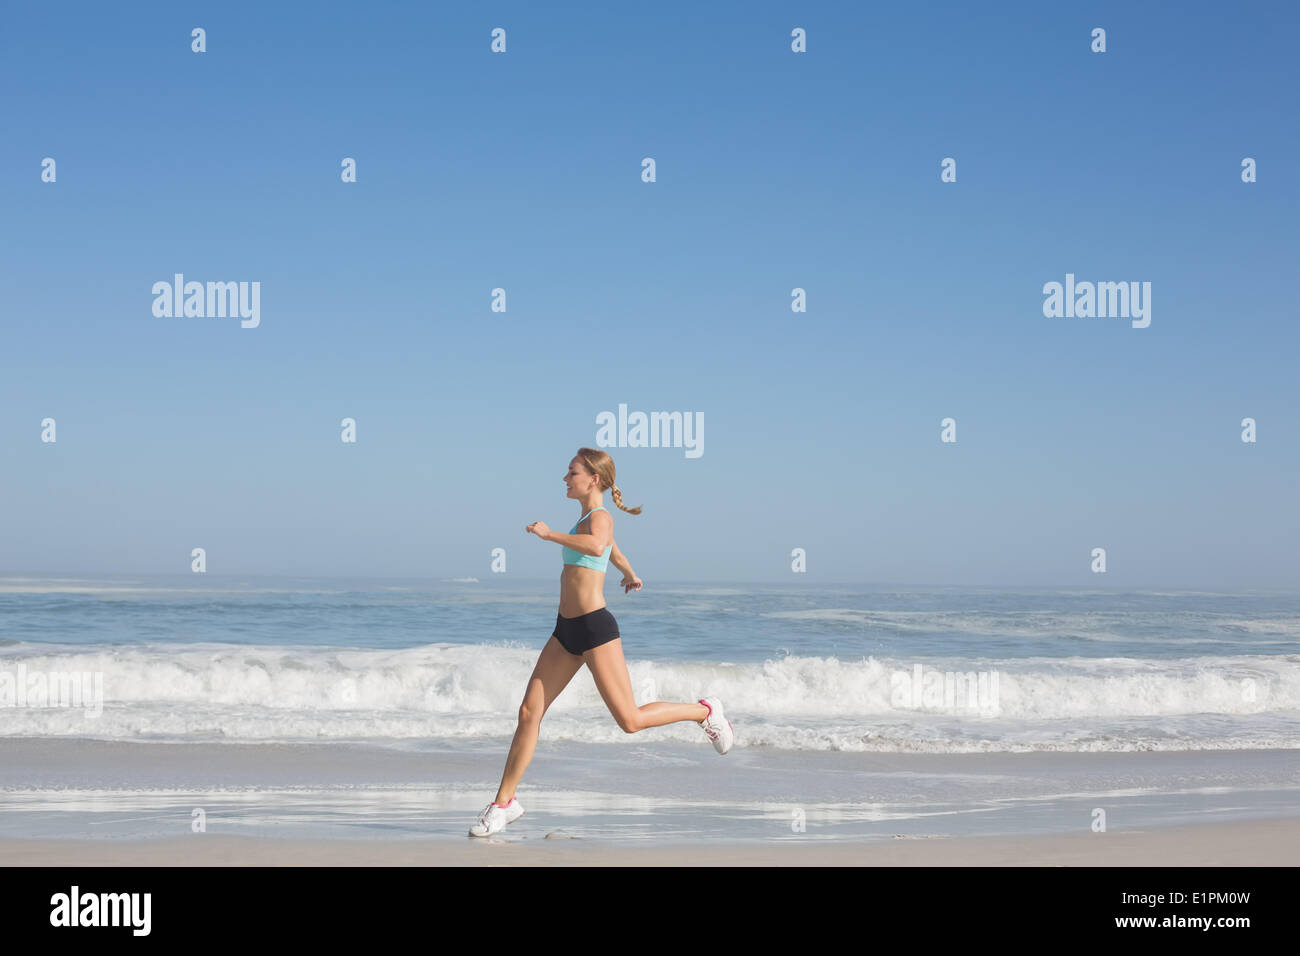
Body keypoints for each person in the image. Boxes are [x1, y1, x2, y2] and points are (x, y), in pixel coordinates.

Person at [469, 447, 733, 837]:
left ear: (593, 479)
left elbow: (597, 547)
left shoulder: (600, 517)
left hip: (594, 629)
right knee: (528, 714)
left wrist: (547, 534)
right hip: (565, 631)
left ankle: (703, 711)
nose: (564, 478)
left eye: (571, 472)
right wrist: (629, 571)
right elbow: (611, 550)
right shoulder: (586, 521)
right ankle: (503, 804)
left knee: (630, 720)